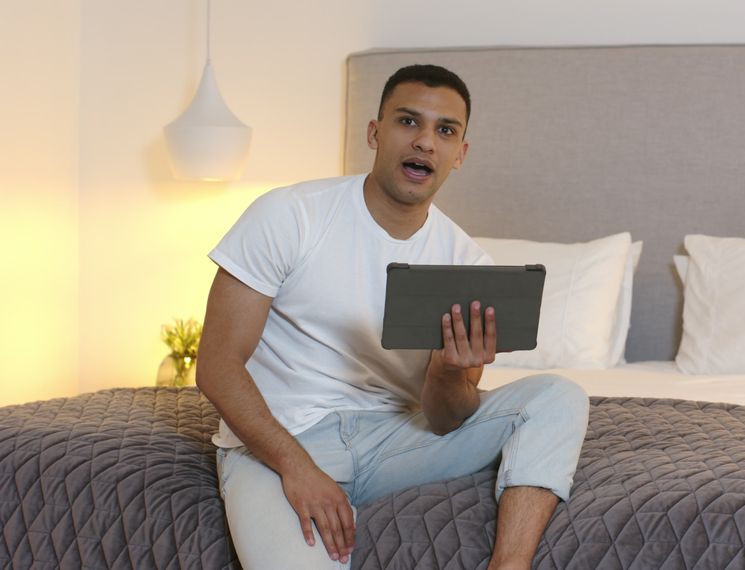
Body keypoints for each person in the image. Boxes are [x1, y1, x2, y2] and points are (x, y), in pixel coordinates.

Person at [197, 64, 590, 570]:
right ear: (374, 132)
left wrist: (449, 371)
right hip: (285, 439)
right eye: (408, 121)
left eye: (445, 130)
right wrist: (297, 468)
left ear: (460, 154)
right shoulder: (290, 214)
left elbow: (448, 418)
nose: (425, 141)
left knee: (557, 396)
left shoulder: (466, 265)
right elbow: (216, 366)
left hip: (397, 439)